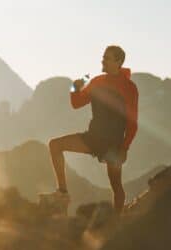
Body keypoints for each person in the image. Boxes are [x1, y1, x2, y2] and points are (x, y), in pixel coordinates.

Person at [48, 45, 138, 214]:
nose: (102, 60)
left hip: (113, 145)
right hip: (93, 138)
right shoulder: (97, 81)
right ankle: (62, 192)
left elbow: (133, 123)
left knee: (116, 185)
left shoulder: (129, 88)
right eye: (103, 57)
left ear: (119, 62)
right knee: (54, 145)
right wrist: (74, 88)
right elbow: (77, 104)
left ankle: (117, 222)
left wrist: (124, 149)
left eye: (107, 58)